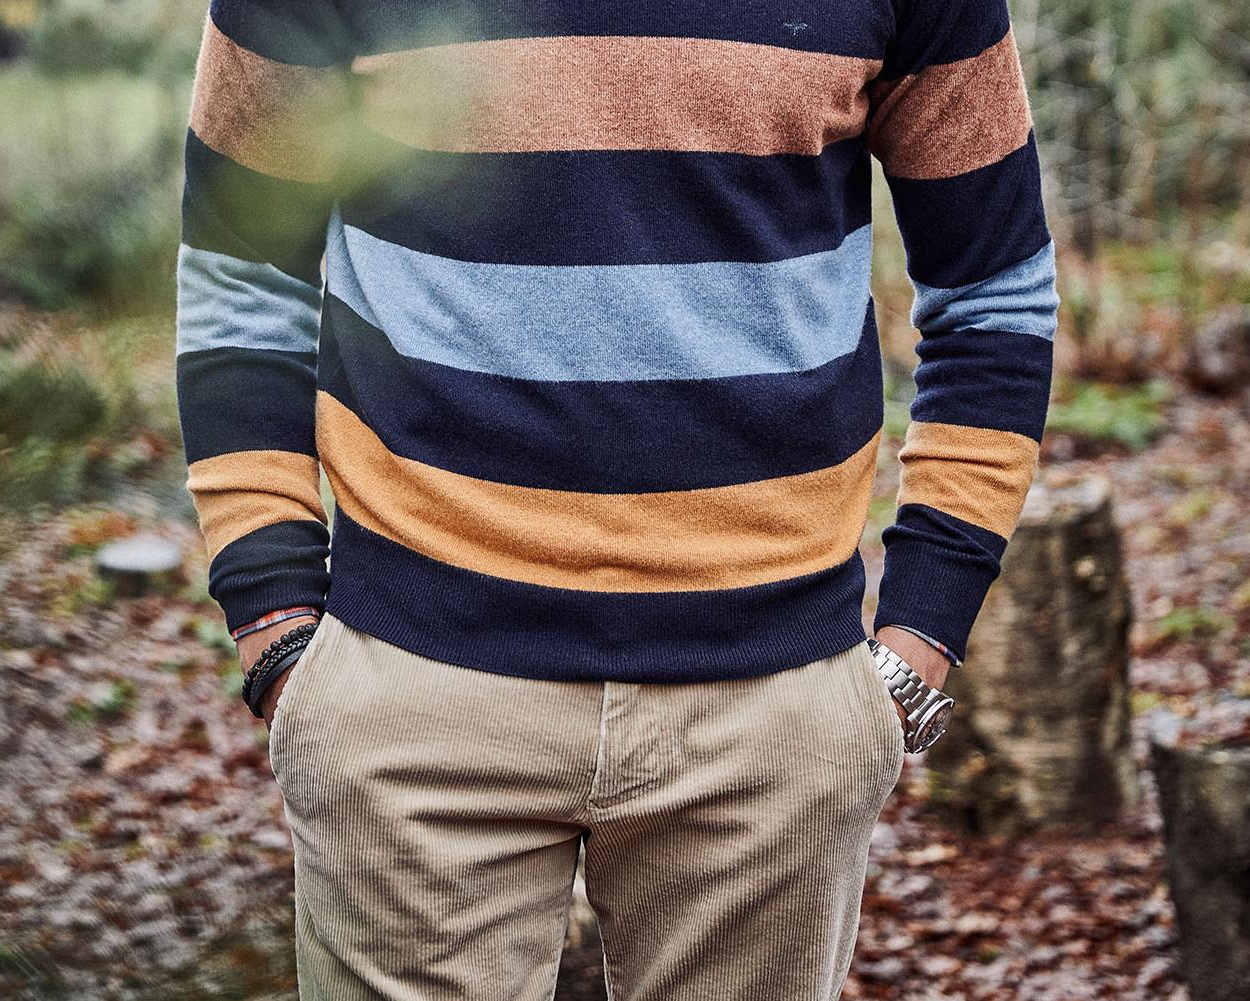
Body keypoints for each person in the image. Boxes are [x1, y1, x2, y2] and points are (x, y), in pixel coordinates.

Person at [175, 1, 1057, 997]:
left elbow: (994, 294)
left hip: (769, 714)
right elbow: (242, 276)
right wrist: (276, 625)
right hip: (413, 692)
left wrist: (916, 641)